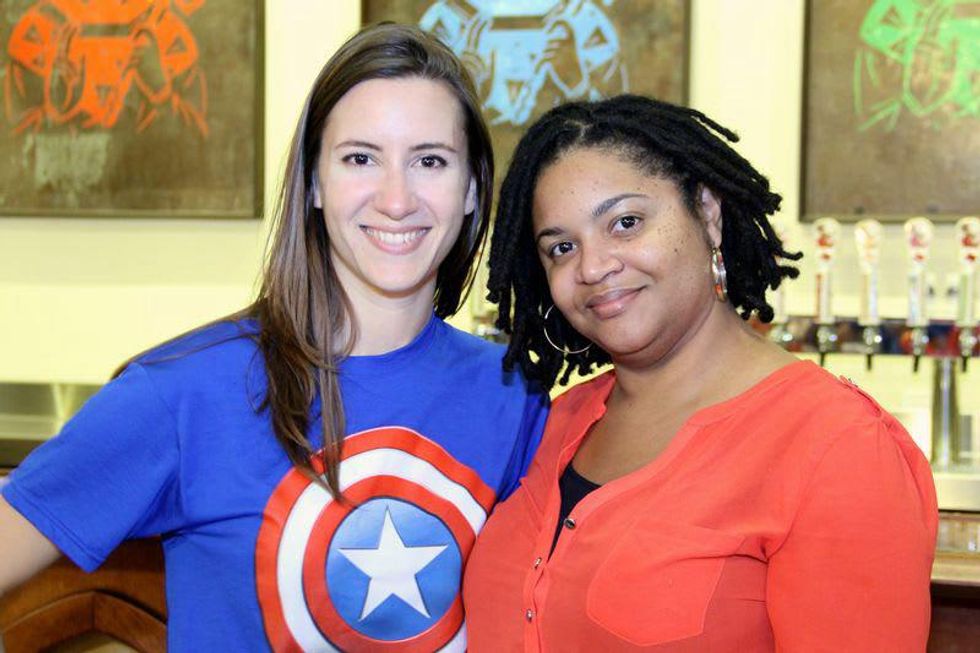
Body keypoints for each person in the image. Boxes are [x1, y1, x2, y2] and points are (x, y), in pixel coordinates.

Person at [0, 24, 547, 652]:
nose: (397, 198)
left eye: (429, 161)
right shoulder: (182, 393)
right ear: (314, 181)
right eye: (360, 158)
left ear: (473, 188)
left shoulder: (515, 396)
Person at [462, 95, 937, 651]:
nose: (592, 267)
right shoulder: (554, 425)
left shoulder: (836, 446)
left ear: (707, 214)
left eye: (626, 222)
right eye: (562, 247)